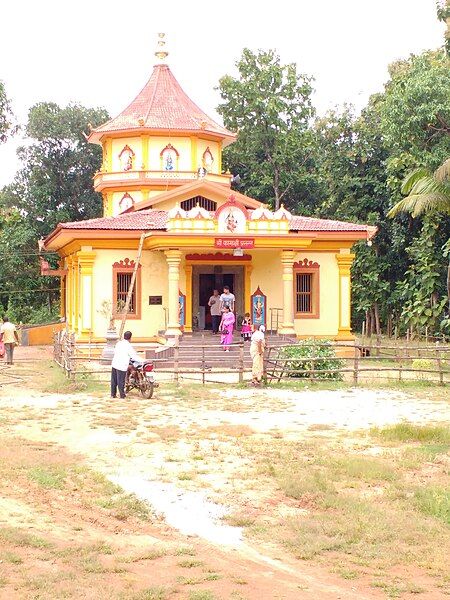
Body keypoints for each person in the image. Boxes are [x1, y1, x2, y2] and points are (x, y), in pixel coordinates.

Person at [111, 330, 141, 399]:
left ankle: (113, 394)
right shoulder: (128, 346)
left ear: (124, 337)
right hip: (122, 365)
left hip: (115, 363)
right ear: (130, 338)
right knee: (121, 381)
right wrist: (142, 361)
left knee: (114, 380)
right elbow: (134, 356)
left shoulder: (118, 343)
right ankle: (122, 395)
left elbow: (114, 351)